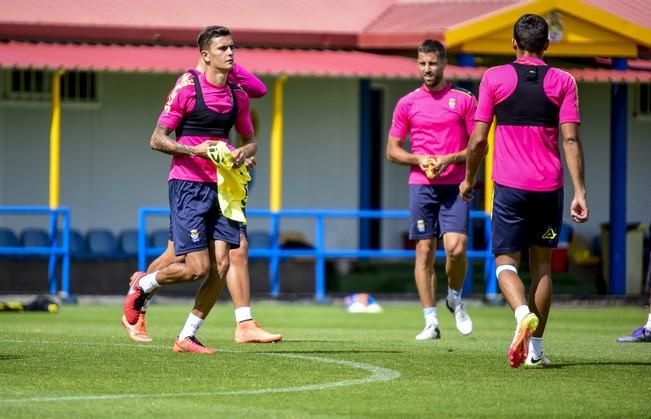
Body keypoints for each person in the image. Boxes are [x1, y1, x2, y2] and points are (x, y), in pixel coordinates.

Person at [122, 57, 281, 345]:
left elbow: (259, 90)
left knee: (231, 254)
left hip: (223, 182)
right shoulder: (189, 85)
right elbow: (159, 138)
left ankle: (225, 326)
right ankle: (140, 293)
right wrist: (197, 151)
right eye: (224, 48)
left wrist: (239, 152)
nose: (231, 53)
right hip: (190, 184)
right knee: (183, 261)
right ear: (206, 53)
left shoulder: (233, 90)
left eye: (232, 47)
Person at [460, 14, 589, 368]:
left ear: (513, 44)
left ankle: (521, 316)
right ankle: (538, 352)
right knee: (543, 266)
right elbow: (571, 139)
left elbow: (477, 140)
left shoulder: (494, 78)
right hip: (550, 188)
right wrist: (580, 192)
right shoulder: (564, 81)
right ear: (547, 45)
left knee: (505, 264)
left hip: (510, 188)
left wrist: (469, 179)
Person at [387, 39, 475, 340]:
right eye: (422, 63)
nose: (427, 69)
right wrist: (418, 159)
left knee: (456, 248)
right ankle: (430, 321)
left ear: (443, 63)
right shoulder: (407, 103)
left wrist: (449, 159)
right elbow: (392, 150)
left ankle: (454, 298)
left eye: (432, 63)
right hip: (421, 185)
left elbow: (479, 146)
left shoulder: (463, 100)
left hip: (455, 186)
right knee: (424, 251)